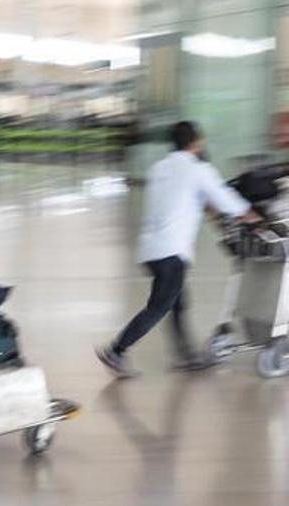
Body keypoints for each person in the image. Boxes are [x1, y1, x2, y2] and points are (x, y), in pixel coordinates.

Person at [97, 121, 260, 378]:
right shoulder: (197, 169)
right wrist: (253, 218)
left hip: (151, 249)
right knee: (160, 306)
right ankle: (117, 350)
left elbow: (188, 200)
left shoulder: (159, 168)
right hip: (171, 251)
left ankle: (186, 356)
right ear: (196, 142)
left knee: (179, 302)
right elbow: (226, 199)